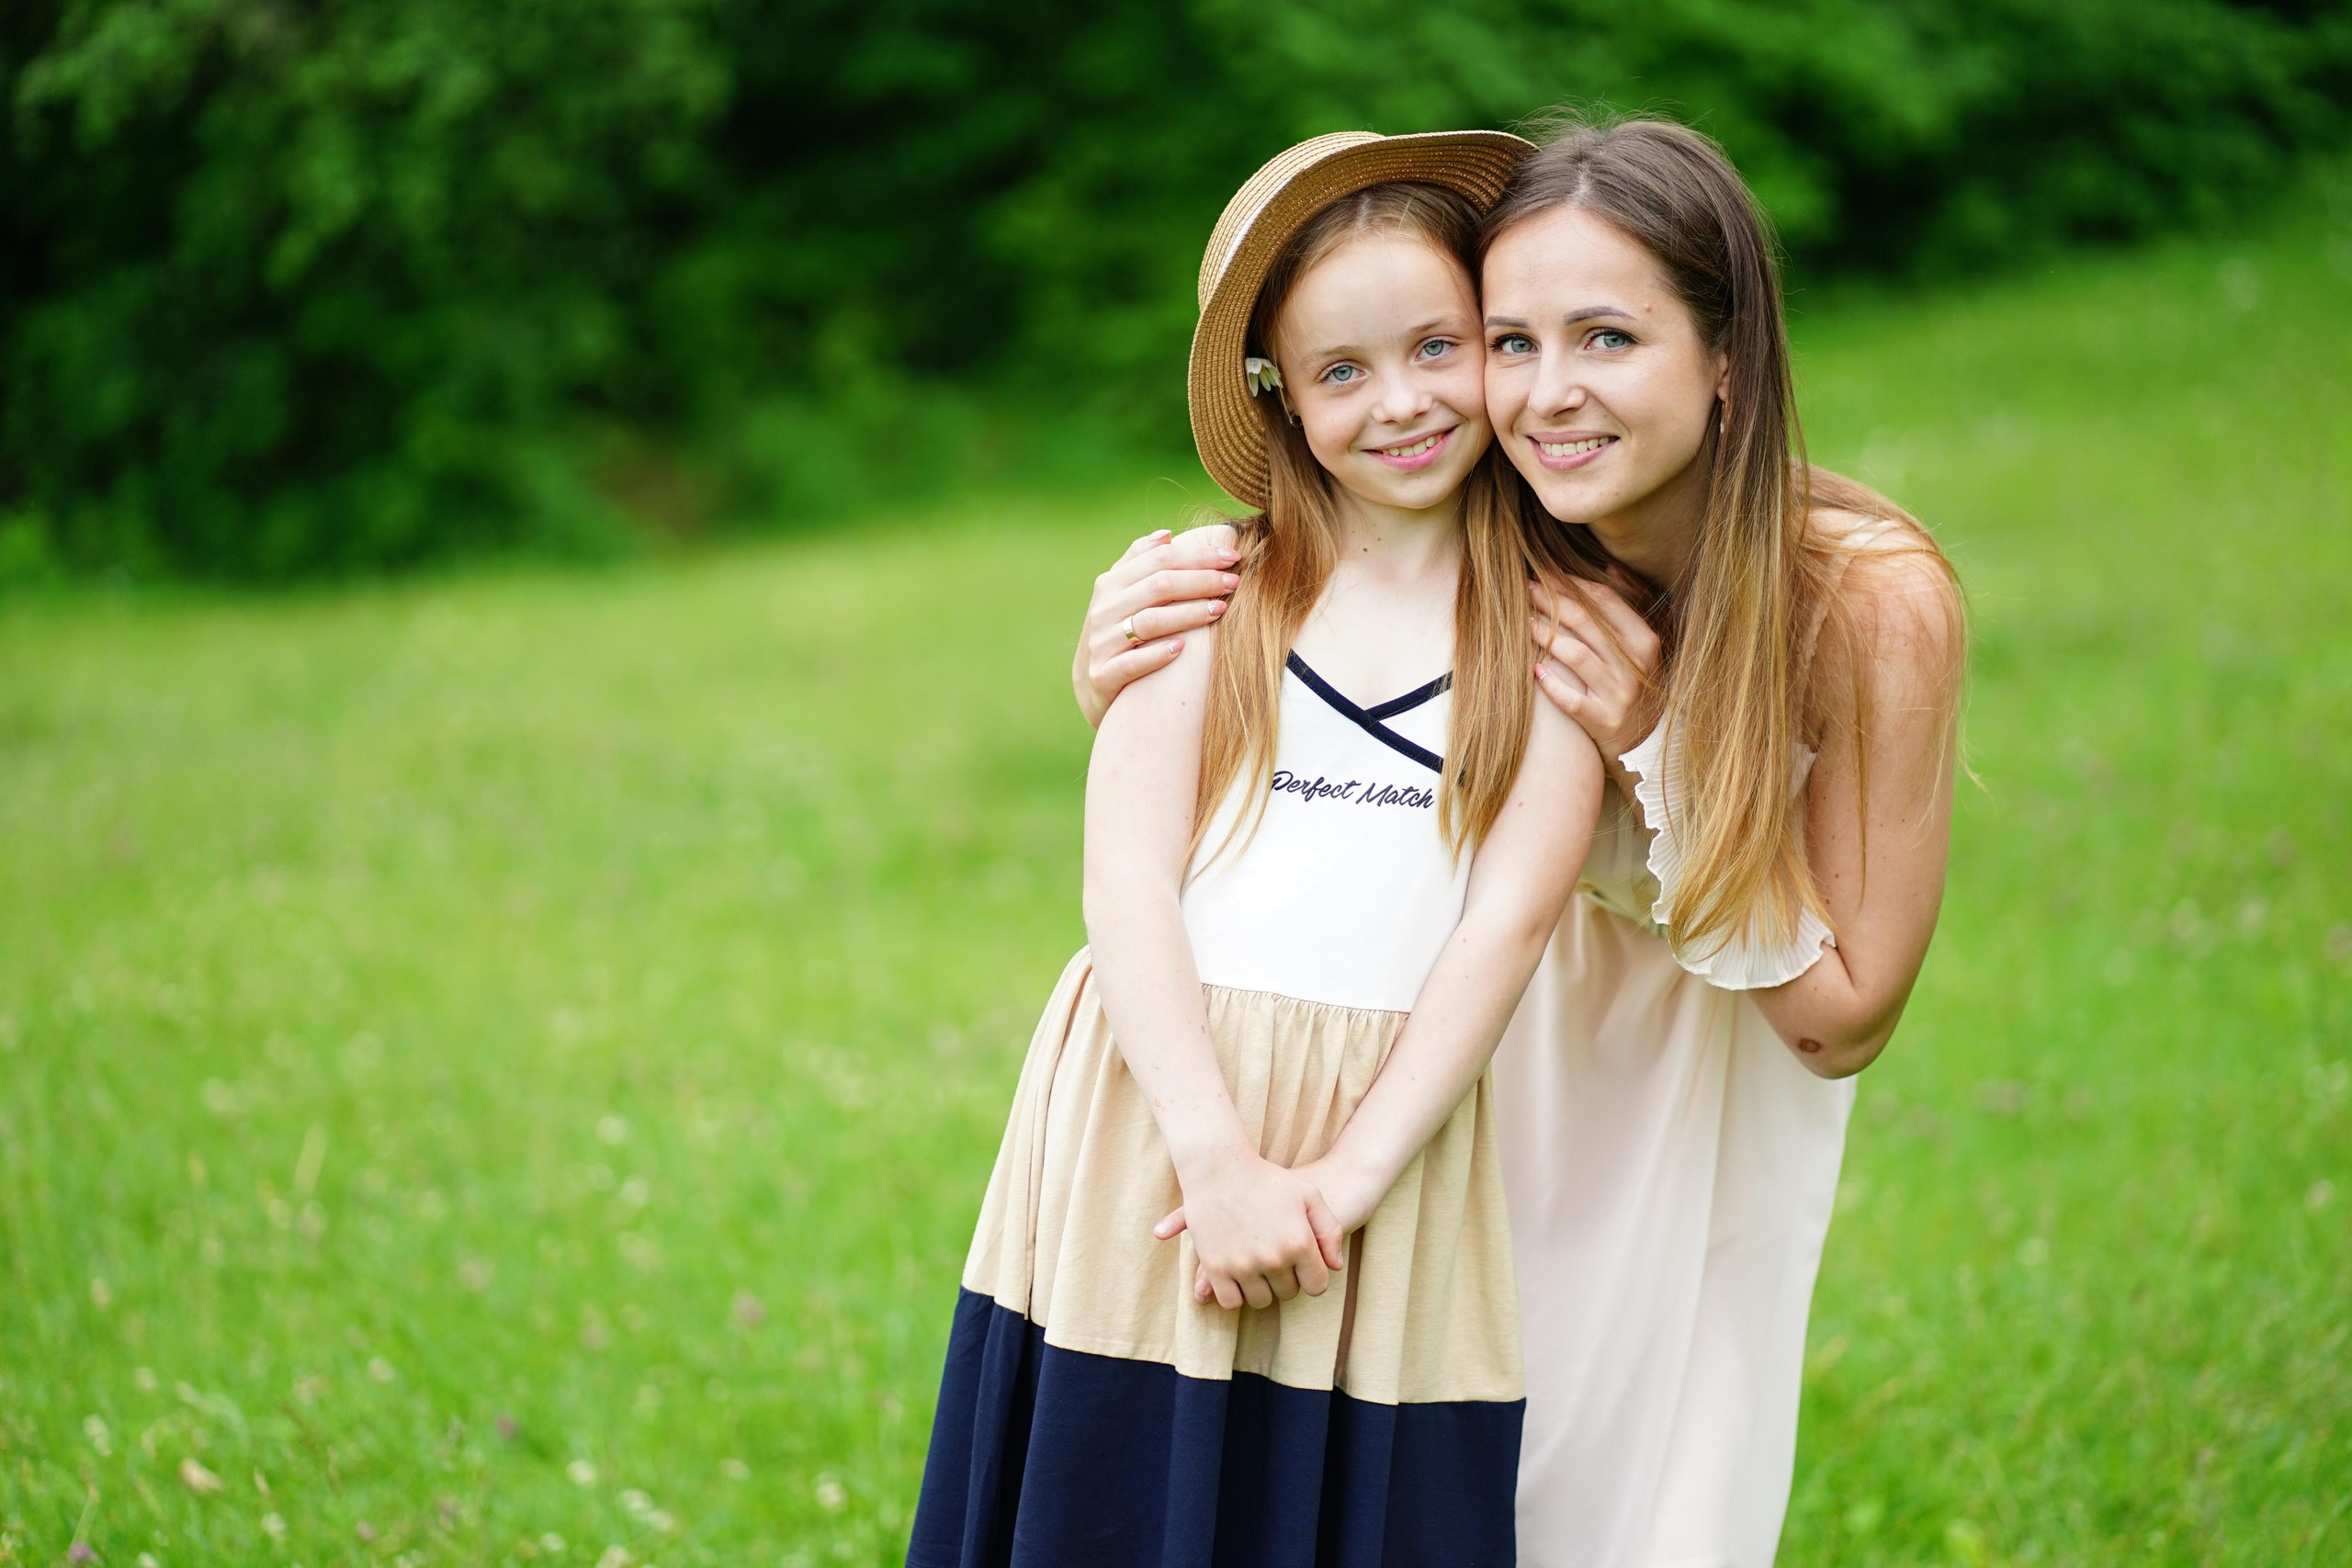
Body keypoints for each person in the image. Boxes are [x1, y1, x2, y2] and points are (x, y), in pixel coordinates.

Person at [1073, 115, 1966, 1568]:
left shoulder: (1864, 605)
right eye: (1508, 341)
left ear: (1727, 355)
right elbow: (1306, 660)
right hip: (1468, 1068)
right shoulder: (1504, 517)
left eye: (1609, 339)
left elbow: (1844, 1021)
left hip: (1695, 1103)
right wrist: (1120, 663)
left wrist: (1662, 743)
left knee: (1635, 1505)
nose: (1548, 395)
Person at [909, 130, 1603, 1568]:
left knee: (1356, 1509)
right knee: (1110, 1499)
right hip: (1156, 1116)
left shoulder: (1552, 639)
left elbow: (1506, 929)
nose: (1402, 402)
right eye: (1343, 371)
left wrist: (1340, 1183)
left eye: (1438, 346)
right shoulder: (1209, 600)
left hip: (1386, 1142)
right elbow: (1128, 887)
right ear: (1282, 398)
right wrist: (1216, 1160)